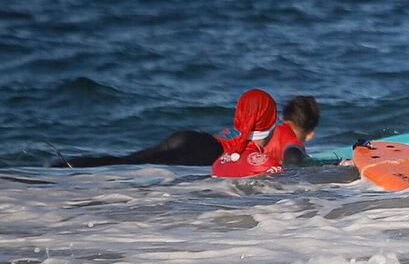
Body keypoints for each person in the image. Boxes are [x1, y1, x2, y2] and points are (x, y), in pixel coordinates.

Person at [50, 88, 276, 169]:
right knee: (130, 163)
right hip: (202, 151)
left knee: (128, 160)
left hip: (193, 139)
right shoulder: (255, 142)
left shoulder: (241, 126)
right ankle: (68, 166)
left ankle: (66, 165)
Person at [263, 95, 321, 166]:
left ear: (283, 117)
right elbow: (292, 157)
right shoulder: (293, 145)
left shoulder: (266, 133)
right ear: (310, 135)